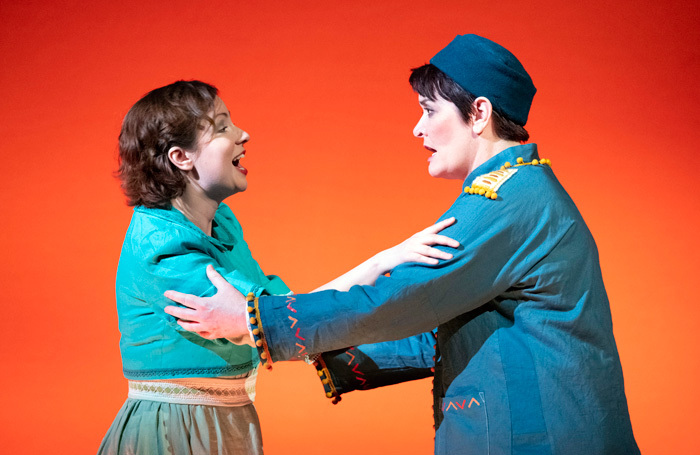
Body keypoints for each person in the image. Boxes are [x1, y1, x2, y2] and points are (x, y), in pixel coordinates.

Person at [164, 35, 640, 454]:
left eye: (429, 111)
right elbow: (441, 331)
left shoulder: (507, 201)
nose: (418, 128)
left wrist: (255, 320)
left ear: (479, 113)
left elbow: (402, 301)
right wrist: (321, 346)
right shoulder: (517, 192)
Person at [98, 80, 460, 454]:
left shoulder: (221, 223)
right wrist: (386, 263)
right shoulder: (161, 245)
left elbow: (282, 312)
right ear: (181, 157)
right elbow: (271, 323)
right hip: (177, 432)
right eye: (222, 127)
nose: (243, 134)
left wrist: (389, 257)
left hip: (228, 421)